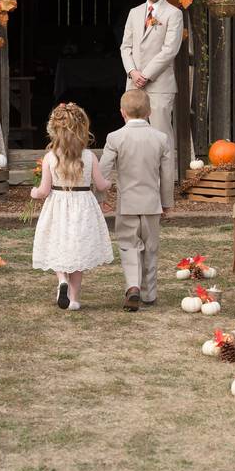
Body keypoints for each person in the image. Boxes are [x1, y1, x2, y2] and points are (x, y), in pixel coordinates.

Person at [31, 103, 114, 311]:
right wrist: (109, 183)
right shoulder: (89, 156)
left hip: (58, 206)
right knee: (78, 251)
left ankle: (61, 281)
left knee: (58, 245)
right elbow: (101, 184)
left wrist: (33, 192)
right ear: (82, 128)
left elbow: (43, 191)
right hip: (83, 207)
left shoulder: (50, 158)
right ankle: (74, 299)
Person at [99, 89, 175, 311]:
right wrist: (167, 203)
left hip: (127, 205)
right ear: (150, 111)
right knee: (151, 247)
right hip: (152, 205)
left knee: (128, 246)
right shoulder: (161, 138)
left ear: (122, 113)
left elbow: (103, 170)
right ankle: (149, 294)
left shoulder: (115, 137)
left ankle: (133, 286)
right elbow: (167, 174)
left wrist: (101, 197)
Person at [119, 0, 183, 199]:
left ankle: (164, 195)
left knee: (161, 138)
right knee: (132, 138)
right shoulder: (135, 13)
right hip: (133, 84)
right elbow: (125, 46)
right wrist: (133, 72)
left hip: (159, 86)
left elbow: (170, 50)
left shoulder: (173, 14)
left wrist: (146, 74)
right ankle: (134, 190)